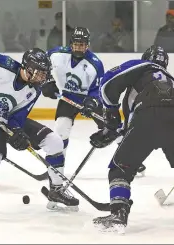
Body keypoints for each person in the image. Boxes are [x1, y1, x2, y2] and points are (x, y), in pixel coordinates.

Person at [88, 45, 174, 234]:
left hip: (147, 119)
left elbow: (108, 82)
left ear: (146, 58)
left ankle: (119, 213)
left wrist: (110, 113)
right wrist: (112, 131)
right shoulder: (172, 81)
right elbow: (134, 122)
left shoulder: (141, 66)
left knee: (119, 169)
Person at [0, 48, 79, 217]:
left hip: (10, 118)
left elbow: (19, 115)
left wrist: (17, 131)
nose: (42, 78)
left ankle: (56, 190)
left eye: (44, 74)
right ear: (28, 68)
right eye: (40, 73)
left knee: (54, 141)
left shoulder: (34, 90)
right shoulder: (1, 65)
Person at [42, 27, 146, 175]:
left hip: (87, 100)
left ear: (87, 45)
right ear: (71, 44)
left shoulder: (95, 64)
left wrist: (92, 102)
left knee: (111, 128)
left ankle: (133, 160)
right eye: (76, 44)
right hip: (67, 98)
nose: (79, 48)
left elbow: (99, 89)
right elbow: (41, 62)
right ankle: (56, 168)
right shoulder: (57, 54)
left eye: (82, 45)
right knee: (60, 130)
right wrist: (47, 81)